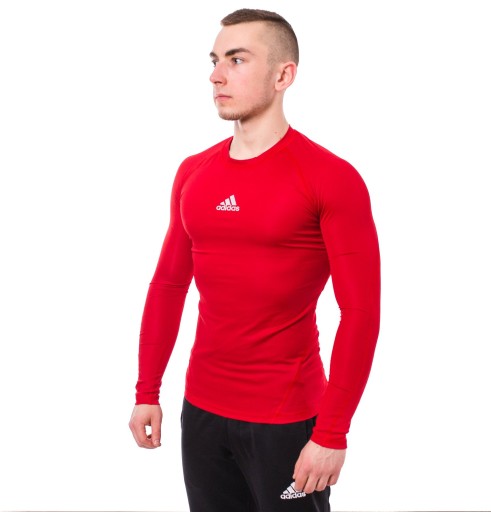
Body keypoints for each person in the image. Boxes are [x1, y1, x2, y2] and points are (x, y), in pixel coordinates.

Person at [128, 8, 380, 512]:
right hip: (201, 413)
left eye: (237, 60)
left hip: (287, 420)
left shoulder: (331, 178)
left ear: (284, 75)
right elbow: (169, 285)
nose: (216, 75)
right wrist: (147, 389)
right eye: (215, 60)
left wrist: (332, 431)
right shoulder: (193, 172)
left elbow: (360, 312)